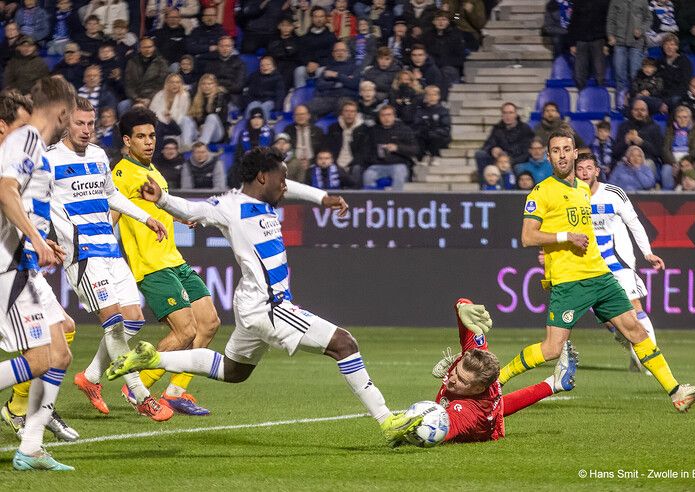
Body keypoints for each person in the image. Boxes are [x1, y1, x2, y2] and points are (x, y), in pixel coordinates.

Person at [106, 146, 422, 447]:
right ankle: (386, 420)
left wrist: (322, 197)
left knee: (233, 370)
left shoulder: (266, 198)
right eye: (281, 179)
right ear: (262, 177)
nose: (285, 186)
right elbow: (192, 209)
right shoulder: (230, 206)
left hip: (251, 304)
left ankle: (154, 359)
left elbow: (292, 187)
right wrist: (162, 199)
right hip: (268, 307)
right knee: (345, 343)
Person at [499, 128, 695, 413]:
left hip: (600, 276)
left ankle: (676, 392)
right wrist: (563, 239)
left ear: (575, 154)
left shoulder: (583, 189)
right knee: (551, 349)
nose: (562, 155)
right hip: (570, 282)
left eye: (566, 149)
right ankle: (498, 379)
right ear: (548, 156)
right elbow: (528, 236)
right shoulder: (542, 192)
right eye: (556, 151)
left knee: (635, 329)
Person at [44, 96, 173, 421]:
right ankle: (141, 396)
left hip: (109, 250)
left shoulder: (99, 155)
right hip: (82, 254)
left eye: (90, 124)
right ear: (64, 122)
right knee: (114, 322)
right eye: (79, 123)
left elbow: (111, 195)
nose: (86, 130)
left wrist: (145, 217)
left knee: (133, 319)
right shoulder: (48, 160)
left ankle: (89, 378)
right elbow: (36, 201)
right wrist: (42, 236)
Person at [112, 107, 220, 415]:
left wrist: (179, 215)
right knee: (185, 331)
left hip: (174, 259)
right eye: (141, 136)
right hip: (151, 265)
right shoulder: (120, 174)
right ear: (127, 140)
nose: (148, 142)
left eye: (152, 136)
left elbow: (159, 205)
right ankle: (136, 387)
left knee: (209, 323)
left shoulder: (154, 172)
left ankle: (175, 392)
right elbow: (112, 215)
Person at [0, 76, 76, 471]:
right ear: (63, 113)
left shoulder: (31, 145)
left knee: (59, 351)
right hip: (8, 265)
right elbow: (6, 189)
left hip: (23, 262)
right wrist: (37, 240)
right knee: (41, 357)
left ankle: (30, 448)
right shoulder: (27, 139)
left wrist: (41, 241)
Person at [401, 299, 577, 445]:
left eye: (462, 380)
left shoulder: (468, 413)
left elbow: (442, 430)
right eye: (456, 371)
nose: (452, 379)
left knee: (496, 407)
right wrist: (462, 306)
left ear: (477, 388)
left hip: (487, 425)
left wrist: (406, 431)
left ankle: (554, 384)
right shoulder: (474, 355)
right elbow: (467, 308)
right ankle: (554, 383)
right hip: (486, 392)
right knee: (497, 399)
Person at [575, 153, 664, 373]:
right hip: (589, 265)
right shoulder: (570, 196)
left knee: (634, 307)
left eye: (589, 168)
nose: (585, 173)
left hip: (618, 260)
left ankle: (652, 363)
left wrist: (647, 253)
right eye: (580, 169)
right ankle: (637, 353)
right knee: (610, 320)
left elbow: (634, 223)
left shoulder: (613, 194)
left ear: (597, 171)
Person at [361, 104, 418, 190]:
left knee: (399, 173)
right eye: (383, 115)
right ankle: (372, 201)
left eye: (389, 115)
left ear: (394, 116)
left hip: (399, 164)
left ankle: (396, 200)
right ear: (379, 117)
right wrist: (375, 158)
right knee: (368, 175)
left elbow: (415, 150)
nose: (386, 118)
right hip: (378, 165)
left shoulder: (404, 130)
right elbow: (366, 151)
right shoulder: (373, 131)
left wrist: (397, 148)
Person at [475, 102, 534, 178]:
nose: (508, 116)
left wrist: (510, 162)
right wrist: (492, 149)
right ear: (502, 115)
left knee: (516, 167)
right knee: (480, 154)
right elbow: (487, 145)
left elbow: (527, 152)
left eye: (510, 113)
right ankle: (484, 185)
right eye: (505, 113)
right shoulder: (497, 129)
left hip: (517, 161)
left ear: (515, 114)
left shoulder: (525, 128)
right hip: (499, 160)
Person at [607, 0, 651, 99]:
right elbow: (610, 19)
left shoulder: (642, 1)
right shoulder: (615, 1)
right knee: (619, 75)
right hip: (619, 42)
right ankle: (621, 103)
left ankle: (636, 102)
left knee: (635, 75)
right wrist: (610, 35)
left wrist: (641, 30)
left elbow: (648, 19)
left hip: (636, 43)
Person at [568, 0, 609, 89]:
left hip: (598, 39)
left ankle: (601, 95)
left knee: (600, 72)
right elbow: (573, 23)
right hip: (581, 40)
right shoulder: (578, 2)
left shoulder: (604, 2)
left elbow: (607, 21)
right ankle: (582, 96)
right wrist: (572, 43)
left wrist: (607, 44)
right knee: (579, 73)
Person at [181, 73, 228, 148]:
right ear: (200, 86)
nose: (207, 86)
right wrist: (200, 126)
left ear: (215, 85)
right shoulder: (197, 97)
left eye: (210, 84)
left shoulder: (220, 97)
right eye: (204, 84)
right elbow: (193, 117)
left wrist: (204, 125)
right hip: (199, 132)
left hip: (216, 133)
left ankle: (201, 146)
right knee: (185, 119)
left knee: (212, 117)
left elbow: (220, 118)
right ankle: (186, 146)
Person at [662, 105, 695, 190]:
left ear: (690, 118)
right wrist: (674, 163)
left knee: (692, 169)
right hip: (672, 161)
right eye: (679, 117)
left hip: (689, 161)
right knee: (666, 170)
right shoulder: (670, 129)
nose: (682, 120)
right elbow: (665, 149)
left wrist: (683, 163)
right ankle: (668, 196)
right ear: (675, 118)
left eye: (685, 117)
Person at [149, 73, 191, 148]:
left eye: (177, 82)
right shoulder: (160, 95)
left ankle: (185, 146)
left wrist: (170, 118)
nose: (175, 85)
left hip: (176, 126)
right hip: (161, 124)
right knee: (157, 125)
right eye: (172, 82)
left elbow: (183, 114)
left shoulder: (184, 96)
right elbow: (152, 111)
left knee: (185, 120)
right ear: (167, 83)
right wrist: (163, 118)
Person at [413, 85, 451, 164]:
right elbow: (417, 124)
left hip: (439, 135)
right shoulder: (420, 110)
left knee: (435, 136)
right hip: (424, 135)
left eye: (434, 94)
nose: (431, 97)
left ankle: (435, 156)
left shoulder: (443, 111)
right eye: (429, 95)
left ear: (438, 96)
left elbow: (446, 128)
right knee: (419, 136)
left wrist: (433, 130)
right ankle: (423, 156)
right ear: (425, 96)